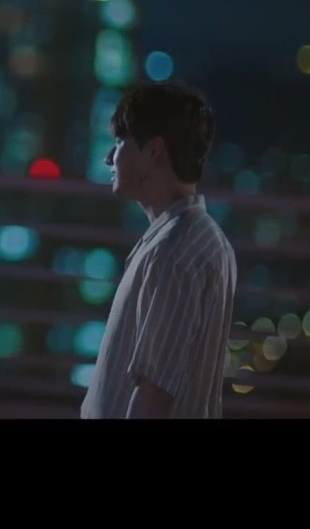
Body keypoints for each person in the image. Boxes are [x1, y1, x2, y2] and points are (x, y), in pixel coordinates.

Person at [80, 81, 237, 419]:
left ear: (154, 152)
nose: (109, 157)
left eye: (120, 143)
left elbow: (154, 393)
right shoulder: (187, 239)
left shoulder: (176, 251)